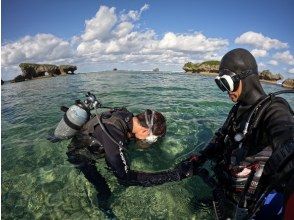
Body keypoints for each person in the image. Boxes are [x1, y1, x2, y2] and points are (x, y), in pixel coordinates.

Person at [180, 48, 294, 219]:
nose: (226, 91)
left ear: (245, 78)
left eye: (227, 83)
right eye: (221, 85)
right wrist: (201, 157)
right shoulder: (237, 109)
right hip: (225, 189)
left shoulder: (274, 108)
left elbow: (285, 131)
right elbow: (220, 137)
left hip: (247, 204)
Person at [65, 106, 193, 217]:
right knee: (105, 190)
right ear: (144, 130)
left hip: (101, 144)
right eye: (152, 139)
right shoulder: (113, 133)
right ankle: (104, 210)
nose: (149, 142)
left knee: (116, 163)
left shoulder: (127, 116)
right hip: (80, 155)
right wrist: (175, 175)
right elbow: (124, 179)